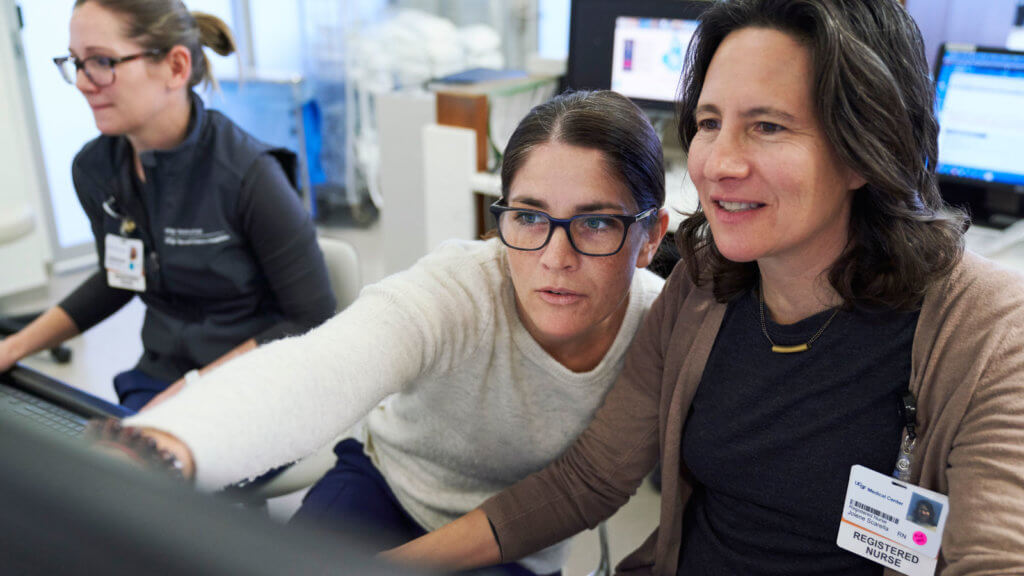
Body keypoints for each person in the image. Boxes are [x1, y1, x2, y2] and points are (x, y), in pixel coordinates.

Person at [385, 1, 1024, 574]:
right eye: (710, 122)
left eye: (768, 126)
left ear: (865, 149)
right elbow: (589, 480)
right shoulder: (703, 285)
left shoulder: (986, 333)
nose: (719, 164)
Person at [121, 89, 670, 576]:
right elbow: (325, 369)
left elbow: (587, 487)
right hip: (388, 486)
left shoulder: (660, 327)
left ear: (649, 238)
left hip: (520, 542)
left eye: (597, 223)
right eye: (529, 217)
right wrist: (166, 448)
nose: (555, 258)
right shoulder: (462, 288)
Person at [0, 0, 335, 411]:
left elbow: (311, 316)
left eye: (102, 61)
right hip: (161, 375)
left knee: (141, 465)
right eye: (76, 62)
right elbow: (121, 276)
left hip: (258, 384)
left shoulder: (249, 176)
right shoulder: (95, 169)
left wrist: (193, 390)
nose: (84, 82)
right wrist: (13, 347)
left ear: (176, 68)